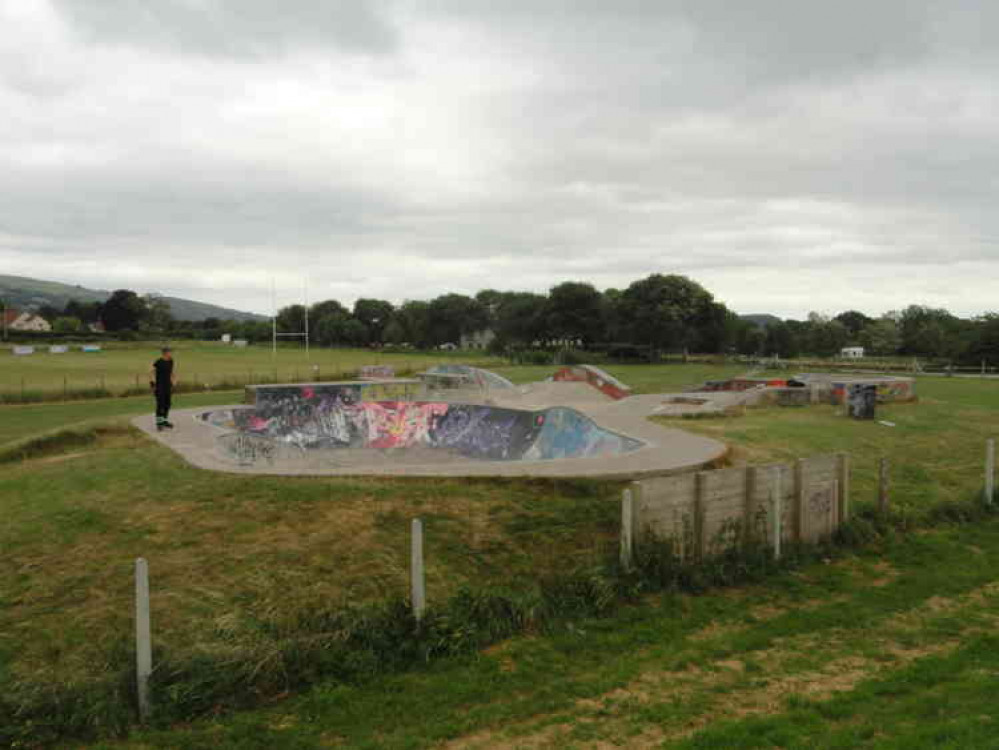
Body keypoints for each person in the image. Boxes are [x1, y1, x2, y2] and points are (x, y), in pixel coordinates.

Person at [150, 346, 176, 431]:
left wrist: (173, 381)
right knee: (160, 405)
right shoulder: (159, 362)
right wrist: (152, 384)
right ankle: (159, 423)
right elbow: (151, 372)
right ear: (165, 353)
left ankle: (164, 421)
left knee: (167, 405)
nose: (170, 353)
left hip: (168, 386)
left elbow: (171, 372)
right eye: (169, 352)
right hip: (159, 387)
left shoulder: (171, 361)